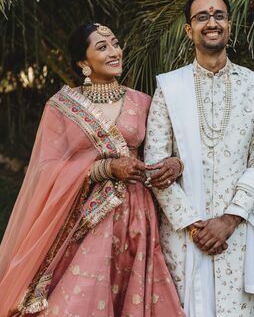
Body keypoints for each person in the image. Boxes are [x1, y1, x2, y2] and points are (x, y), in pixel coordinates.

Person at [0, 23, 185, 317]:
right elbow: (45, 168)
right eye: (102, 47)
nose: (114, 52)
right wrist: (105, 168)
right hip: (82, 217)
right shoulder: (61, 107)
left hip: (136, 214)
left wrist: (175, 164)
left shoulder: (144, 101)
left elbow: (169, 150)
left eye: (114, 43)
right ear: (83, 63)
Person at [144, 0, 254, 317]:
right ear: (189, 30)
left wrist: (229, 220)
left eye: (219, 15)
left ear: (229, 25)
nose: (212, 22)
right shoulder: (169, 86)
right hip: (183, 236)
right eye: (202, 16)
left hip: (237, 232)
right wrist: (195, 227)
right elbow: (154, 163)